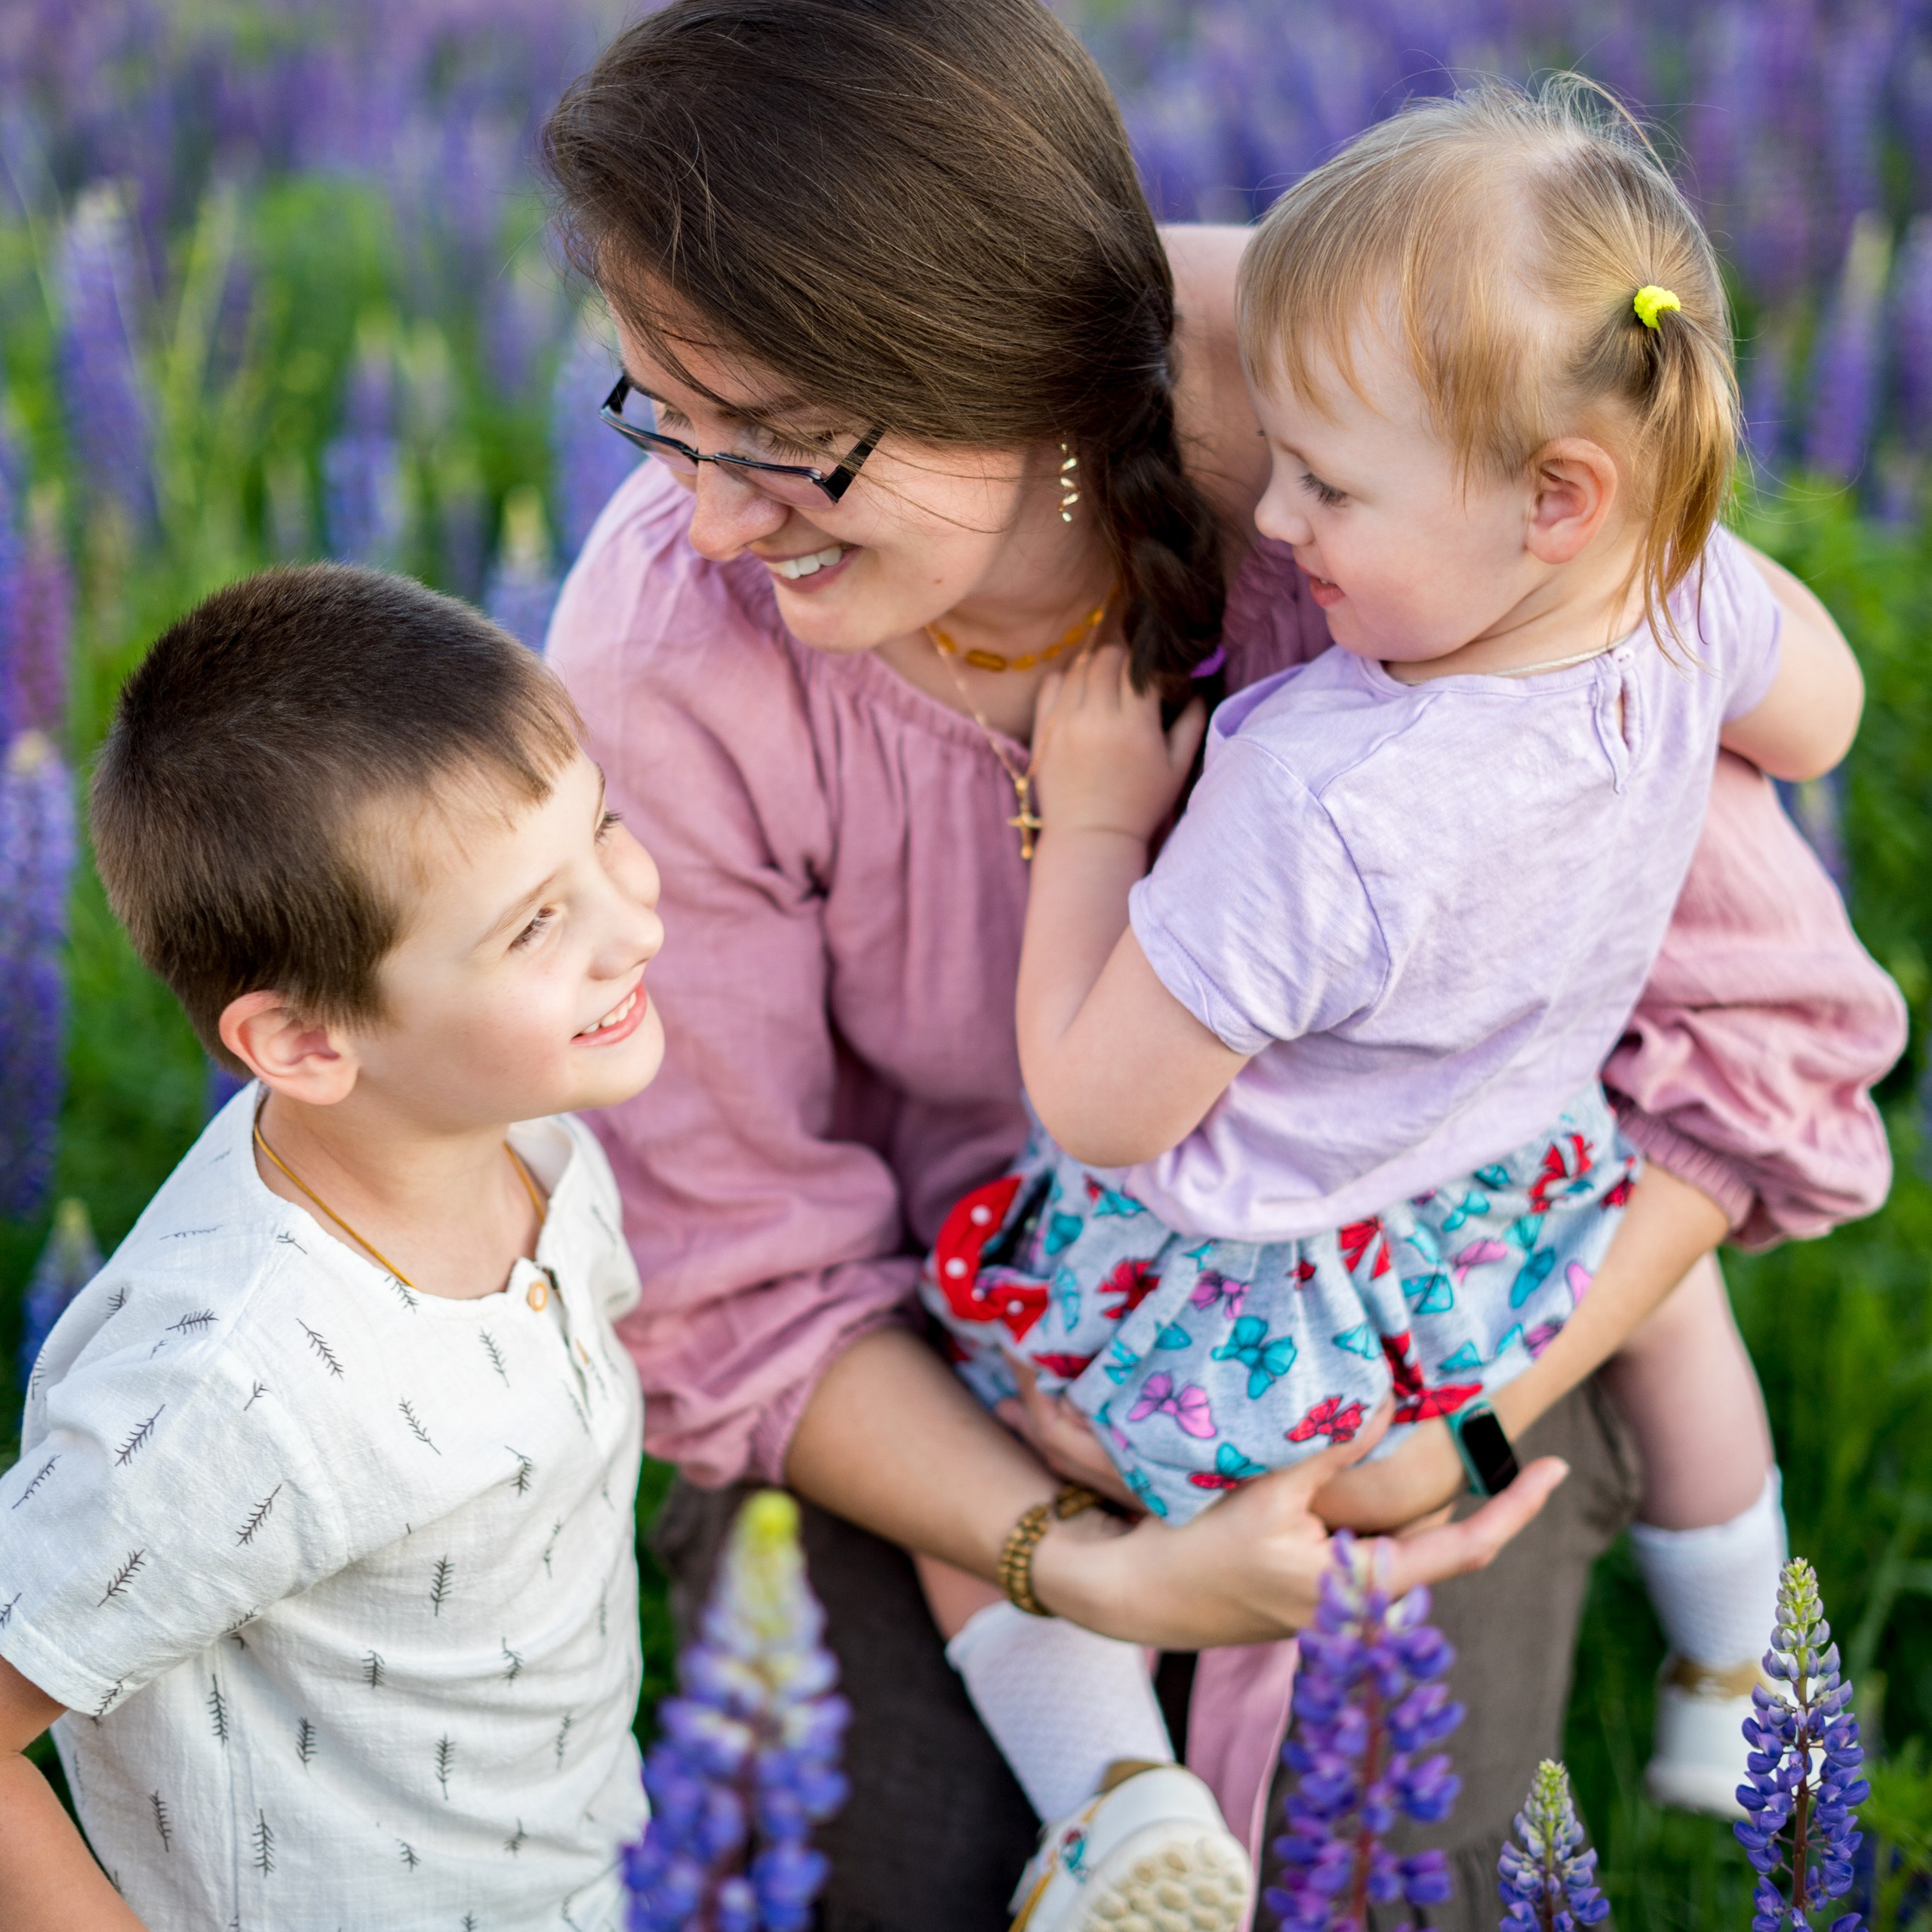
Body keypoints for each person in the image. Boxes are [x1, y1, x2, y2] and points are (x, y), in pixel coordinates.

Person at [537, 3, 1905, 1925]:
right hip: (940, 1357)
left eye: (786, 448)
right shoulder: (672, 639)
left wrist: (1464, 1427)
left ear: (1011, 364)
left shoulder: (1383, 456)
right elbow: (733, 1263)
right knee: (899, 1879)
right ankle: (1112, 1775)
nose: (701, 514)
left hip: (1449, 1300)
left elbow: (1741, 1035)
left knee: (1372, 1870)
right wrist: (1079, 1566)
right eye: (657, 415)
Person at [913, 75, 1865, 1918]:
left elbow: (1107, 1104)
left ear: (1551, 496)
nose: (1271, 521)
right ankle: (1735, 1665)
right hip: (1511, 1196)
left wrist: (1093, 817)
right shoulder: (1678, 593)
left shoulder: (1318, 805)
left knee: (974, 1385)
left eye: (1327, 483)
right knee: (1674, 1320)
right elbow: (1813, 715)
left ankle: (1113, 1789)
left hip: (1269, 1300)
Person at [0, 568, 666, 1931]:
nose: (637, 925)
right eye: (539, 922)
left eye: (608, 836)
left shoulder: (529, 1135)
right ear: (306, 1043)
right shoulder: (231, 1394)